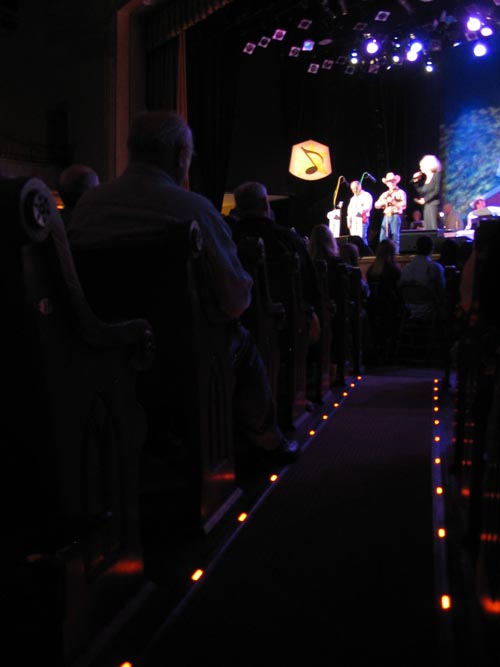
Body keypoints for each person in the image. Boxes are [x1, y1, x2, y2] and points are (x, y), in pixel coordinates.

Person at [67, 110, 299, 466]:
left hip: (109, 352)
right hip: (184, 357)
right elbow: (236, 299)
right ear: (180, 157)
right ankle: (265, 441)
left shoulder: (87, 208)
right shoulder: (193, 209)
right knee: (241, 341)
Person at [229, 180, 321, 343]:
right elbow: (311, 288)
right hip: (289, 330)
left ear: (238, 208)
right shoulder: (289, 240)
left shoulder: (228, 241)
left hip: (239, 328)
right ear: (266, 204)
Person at [365, 239, 403, 363]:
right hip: (390, 308)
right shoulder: (394, 269)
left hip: (374, 307)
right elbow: (398, 291)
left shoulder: (371, 270)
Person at [399, 234, 445, 319]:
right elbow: (442, 291)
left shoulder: (406, 268)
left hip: (409, 311)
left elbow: (401, 288)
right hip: (431, 311)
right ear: (432, 249)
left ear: (416, 248)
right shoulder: (435, 268)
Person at [374, 171, 407, 254]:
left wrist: (393, 202)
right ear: (387, 183)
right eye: (389, 181)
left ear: (396, 182)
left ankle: (396, 255)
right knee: (383, 237)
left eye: (393, 181)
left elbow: (404, 205)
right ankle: (383, 254)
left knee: (395, 236)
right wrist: (383, 202)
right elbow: (376, 205)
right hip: (386, 216)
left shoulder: (401, 192)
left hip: (395, 215)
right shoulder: (384, 194)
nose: (391, 183)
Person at [411, 154, 442, 230]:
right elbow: (422, 192)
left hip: (434, 204)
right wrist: (416, 182)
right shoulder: (426, 179)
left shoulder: (436, 176)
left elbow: (436, 190)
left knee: (433, 226)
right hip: (427, 206)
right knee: (427, 226)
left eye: (421, 166)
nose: (420, 168)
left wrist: (425, 199)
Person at [346, 180, 373, 245]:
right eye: (352, 189)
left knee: (362, 238)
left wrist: (358, 211)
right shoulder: (352, 198)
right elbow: (349, 211)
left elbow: (367, 207)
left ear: (360, 187)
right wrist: (349, 221)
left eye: (356, 188)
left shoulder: (366, 195)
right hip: (353, 222)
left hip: (362, 220)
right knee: (354, 240)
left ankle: (365, 251)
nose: (354, 190)